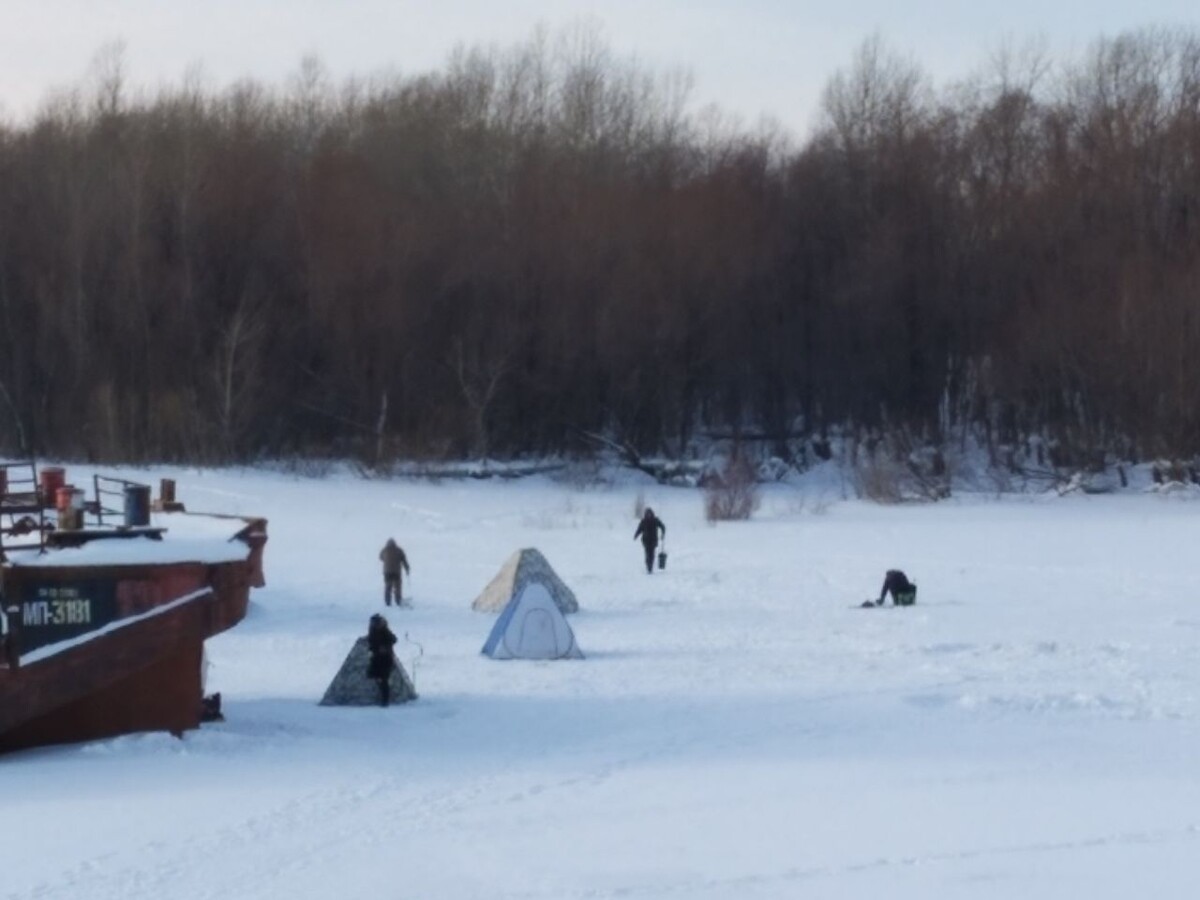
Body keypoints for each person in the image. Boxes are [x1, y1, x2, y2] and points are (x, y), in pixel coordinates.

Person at [366, 613, 398, 707]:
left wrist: (385, 647)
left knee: (384, 679)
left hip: (385, 659)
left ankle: (385, 701)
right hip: (376, 659)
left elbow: (394, 639)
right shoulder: (372, 631)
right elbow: (371, 643)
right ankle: (382, 698)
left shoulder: (385, 631)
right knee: (374, 676)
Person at [633, 507, 666, 574]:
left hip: (653, 540)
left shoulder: (655, 520)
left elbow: (662, 526)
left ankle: (650, 567)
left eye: (650, 514)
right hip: (646, 541)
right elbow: (639, 529)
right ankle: (648, 567)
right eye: (647, 514)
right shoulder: (643, 521)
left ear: (652, 514)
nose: (649, 515)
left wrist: (663, 533)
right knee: (647, 554)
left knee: (652, 554)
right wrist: (636, 535)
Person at [378, 538, 410, 606]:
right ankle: (398, 600)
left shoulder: (384, 550)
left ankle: (387, 602)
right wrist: (407, 569)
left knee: (388, 587)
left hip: (387, 572)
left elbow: (380, 557)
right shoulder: (399, 550)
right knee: (397, 587)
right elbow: (404, 560)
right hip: (396, 572)